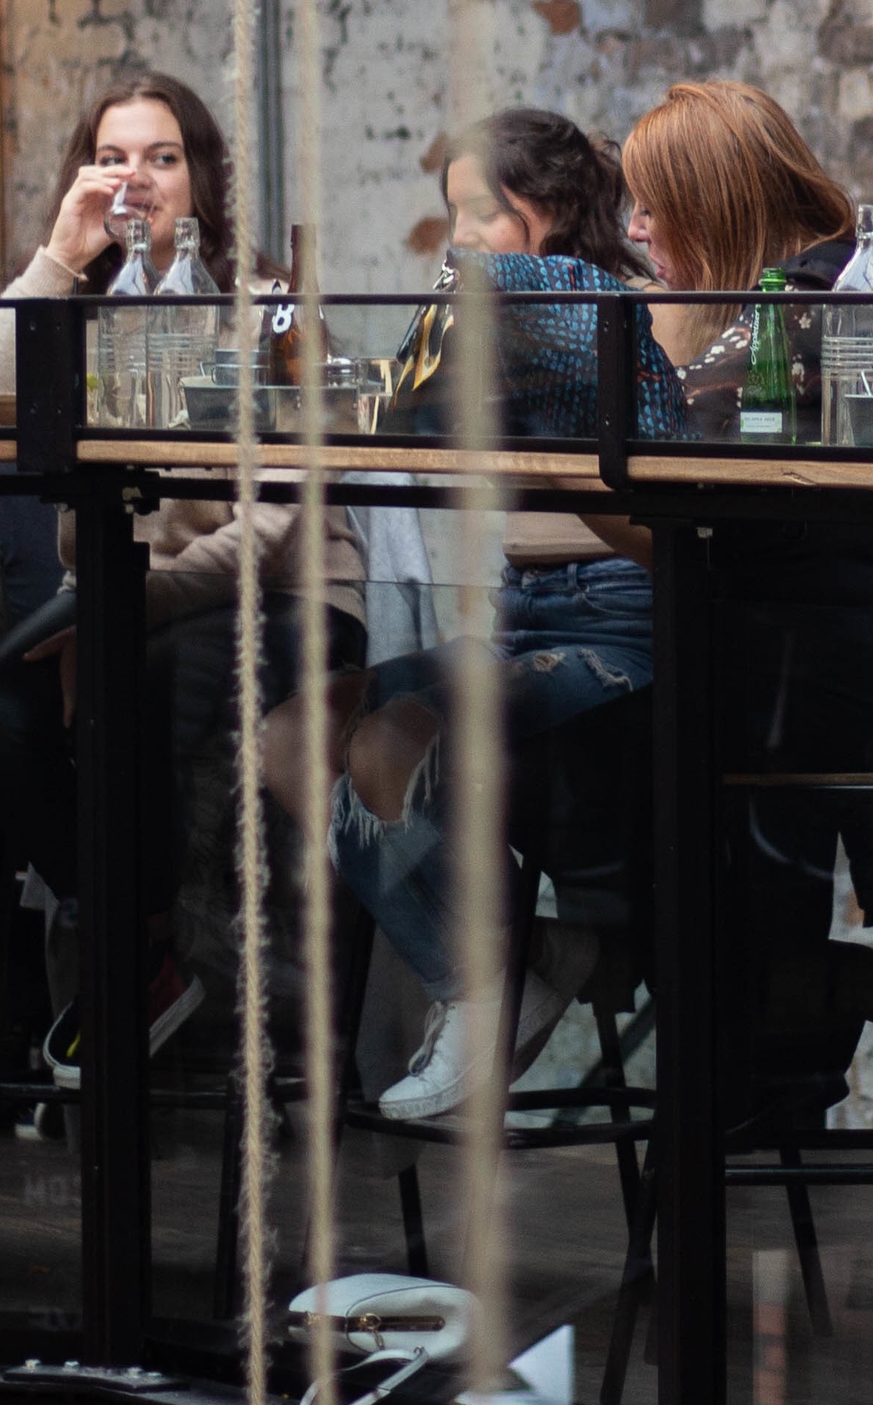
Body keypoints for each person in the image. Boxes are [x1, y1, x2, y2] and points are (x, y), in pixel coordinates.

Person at [0, 73, 364, 1082]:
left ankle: (158, 967)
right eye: (113, 157)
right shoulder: (81, 307)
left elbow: (278, 516)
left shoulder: (261, 307)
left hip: (286, 598)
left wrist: (133, 606)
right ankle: (136, 931)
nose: (136, 177)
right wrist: (56, 255)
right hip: (130, 596)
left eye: (161, 157)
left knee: (151, 679)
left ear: (201, 178)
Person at [259, 108, 679, 1119]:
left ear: (553, 211)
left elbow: (413, 417)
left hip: (624, 634)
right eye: (452, 216)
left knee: (389, 739)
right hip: (527, 618)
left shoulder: (580, 298)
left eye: (482, 212)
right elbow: (410, 423)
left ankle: (479, 988)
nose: (460, 240)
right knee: (288, 738)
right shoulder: (511, 308)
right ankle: (511, 965)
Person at [625, 83, 873, 1118]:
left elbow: (686, 466)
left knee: (584, 730)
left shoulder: (813, 304)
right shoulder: (807, 291)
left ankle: (750, 1028)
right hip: (798, 662)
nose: (634, 229)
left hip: (827, 674)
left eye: (652, 204)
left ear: (716, 203)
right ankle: (784, 1020)